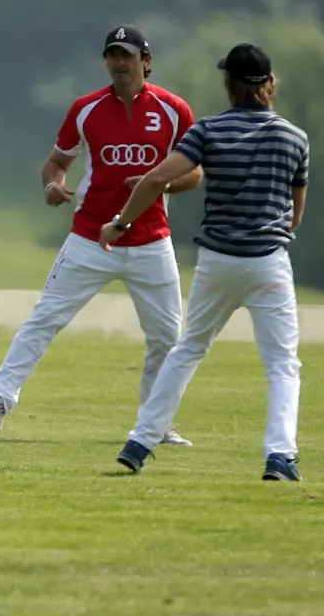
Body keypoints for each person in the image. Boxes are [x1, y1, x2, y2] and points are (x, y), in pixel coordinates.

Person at [0, 24, 203, 442]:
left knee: (168, 336)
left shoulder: (173, 110)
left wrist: (158, 185)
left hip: (151, 238)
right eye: (113, 55)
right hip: (90, 237)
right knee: (44, 319)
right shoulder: (86, 108)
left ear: (146, 61)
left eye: (127, 55)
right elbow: (56, 162)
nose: (119, 63)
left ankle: (157, 422)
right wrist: (51, 186)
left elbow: (195, 173)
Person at [104, 43, 309, 481]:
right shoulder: (295, 137)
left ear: (227, 84)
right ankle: (279, 456)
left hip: (218, 260)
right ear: (270, 83)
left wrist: (120, 223)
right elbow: (296, 214)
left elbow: (159, 177)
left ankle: (140, 441)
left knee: (189, 348)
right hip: (269, 261)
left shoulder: (209, 131)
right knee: (282, 364)